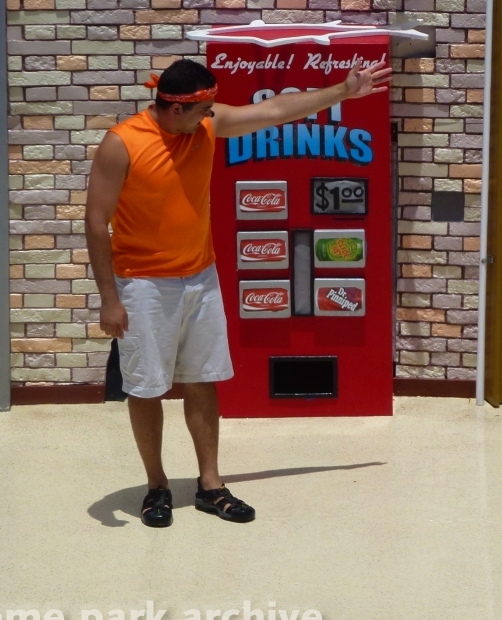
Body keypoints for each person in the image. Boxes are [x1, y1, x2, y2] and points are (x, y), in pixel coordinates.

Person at [84, 57, 392, 527]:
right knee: (146, 387)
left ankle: (210, 484)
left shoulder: (205, 124)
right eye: (204, 109)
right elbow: (94, 220)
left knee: (203, 378)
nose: (212, 115)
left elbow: (275, 111)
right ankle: (156, 486)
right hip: (142, 282)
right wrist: (109, 298)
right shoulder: (122, 143)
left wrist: (342, 91)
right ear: (174, 109)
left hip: (200, 275)